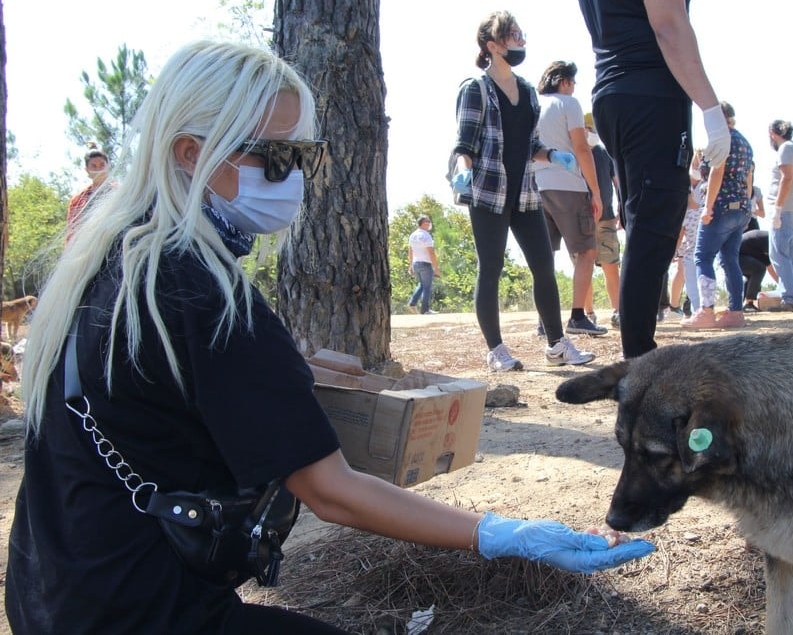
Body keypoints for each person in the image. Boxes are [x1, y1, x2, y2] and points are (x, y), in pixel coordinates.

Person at [5, 40, 653, 635]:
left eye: (304, 156)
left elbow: (163, 397)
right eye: (275, 155)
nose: (293, 177)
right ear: (191, 152)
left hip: (48, 596)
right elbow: (331, 490)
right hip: (142, 615)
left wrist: (295, 364)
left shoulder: (115, 261)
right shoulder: (203, 294)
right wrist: (500, 532)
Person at [574, 0, 731, 358]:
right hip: (650, 96)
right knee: (653, 231)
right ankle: (639, 368)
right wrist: (711, 108)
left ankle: (638, 363)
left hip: (613, 95)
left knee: (642, 230)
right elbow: (669, 25)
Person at [449, 11, 596, 372]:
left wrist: (554, 155)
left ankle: (556, 344)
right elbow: (464, 144)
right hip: (488, 193)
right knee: (492, 267)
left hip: (526, 194)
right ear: (492, 46)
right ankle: (496, 349)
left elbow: (531, 145)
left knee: (544, 266)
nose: (519, 40)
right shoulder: (476, 89)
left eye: (520, 34)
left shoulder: (529, 91)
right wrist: (462, 171)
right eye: (511, 35)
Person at [535, 61, 607, 336]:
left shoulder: (533, 105)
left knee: (543, 256)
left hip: (537, 184)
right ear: (564, 81)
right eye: (573, 82)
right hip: (569, 186)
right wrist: (595, 191)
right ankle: (578, 315)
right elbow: (581, 148)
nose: (574, 87)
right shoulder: (569, 103)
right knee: (587, 250)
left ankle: (545, 321)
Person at [681, 102, 754, 329]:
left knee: (703, 256)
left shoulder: (720, 140)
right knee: (730, 259)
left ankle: (706, 311)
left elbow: (717, 171)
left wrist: (708, 207)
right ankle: (735, 311)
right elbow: (749, 176)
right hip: (741, 207)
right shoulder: (743, 141)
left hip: (720, 206)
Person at [582, 112, 621, 328]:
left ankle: (618, 311)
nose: (591, 134)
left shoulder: (605, 154)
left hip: (605, 219)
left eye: (593, 130)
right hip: (581, 219)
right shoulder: (573, 153)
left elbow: (617, 182)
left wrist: (621, 208)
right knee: (583, 266)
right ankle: (587, 313)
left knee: (611, 266)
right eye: (588, 129)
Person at [766, 119, 793, 312]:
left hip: (785, 209)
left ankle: (790, 298)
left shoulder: (786, 149)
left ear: (774, 133)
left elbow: (787, 177)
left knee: (779, 254)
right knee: (789, 254)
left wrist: (778, 208)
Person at [66, 145, 109, 239]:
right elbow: (71, 234)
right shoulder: (77, 201)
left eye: (102, 165)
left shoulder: (119, 193)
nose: (99, 170)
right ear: (87, 170)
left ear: (108, 166)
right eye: (94, 166)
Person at [407, 215, 440, 315]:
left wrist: (411, 264)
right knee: (427, 287)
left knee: (422, 285)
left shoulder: (413, 235)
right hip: (425, 263)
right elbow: (431, 253)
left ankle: (412, 303)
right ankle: (425, 309)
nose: (429, 223)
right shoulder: (426, 235)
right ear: (423, 223)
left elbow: (410, 251)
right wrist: (436, 268)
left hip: (416, 263)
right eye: (428, 222)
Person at [739, 229, 777, 312]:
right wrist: (783, 285)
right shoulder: (772, 242)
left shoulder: (768, 238)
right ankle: (749, 303)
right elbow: (770, 268)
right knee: (759, 269)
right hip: (735, 257)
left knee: (752, 273)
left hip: (737, 255)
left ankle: (740, 304)